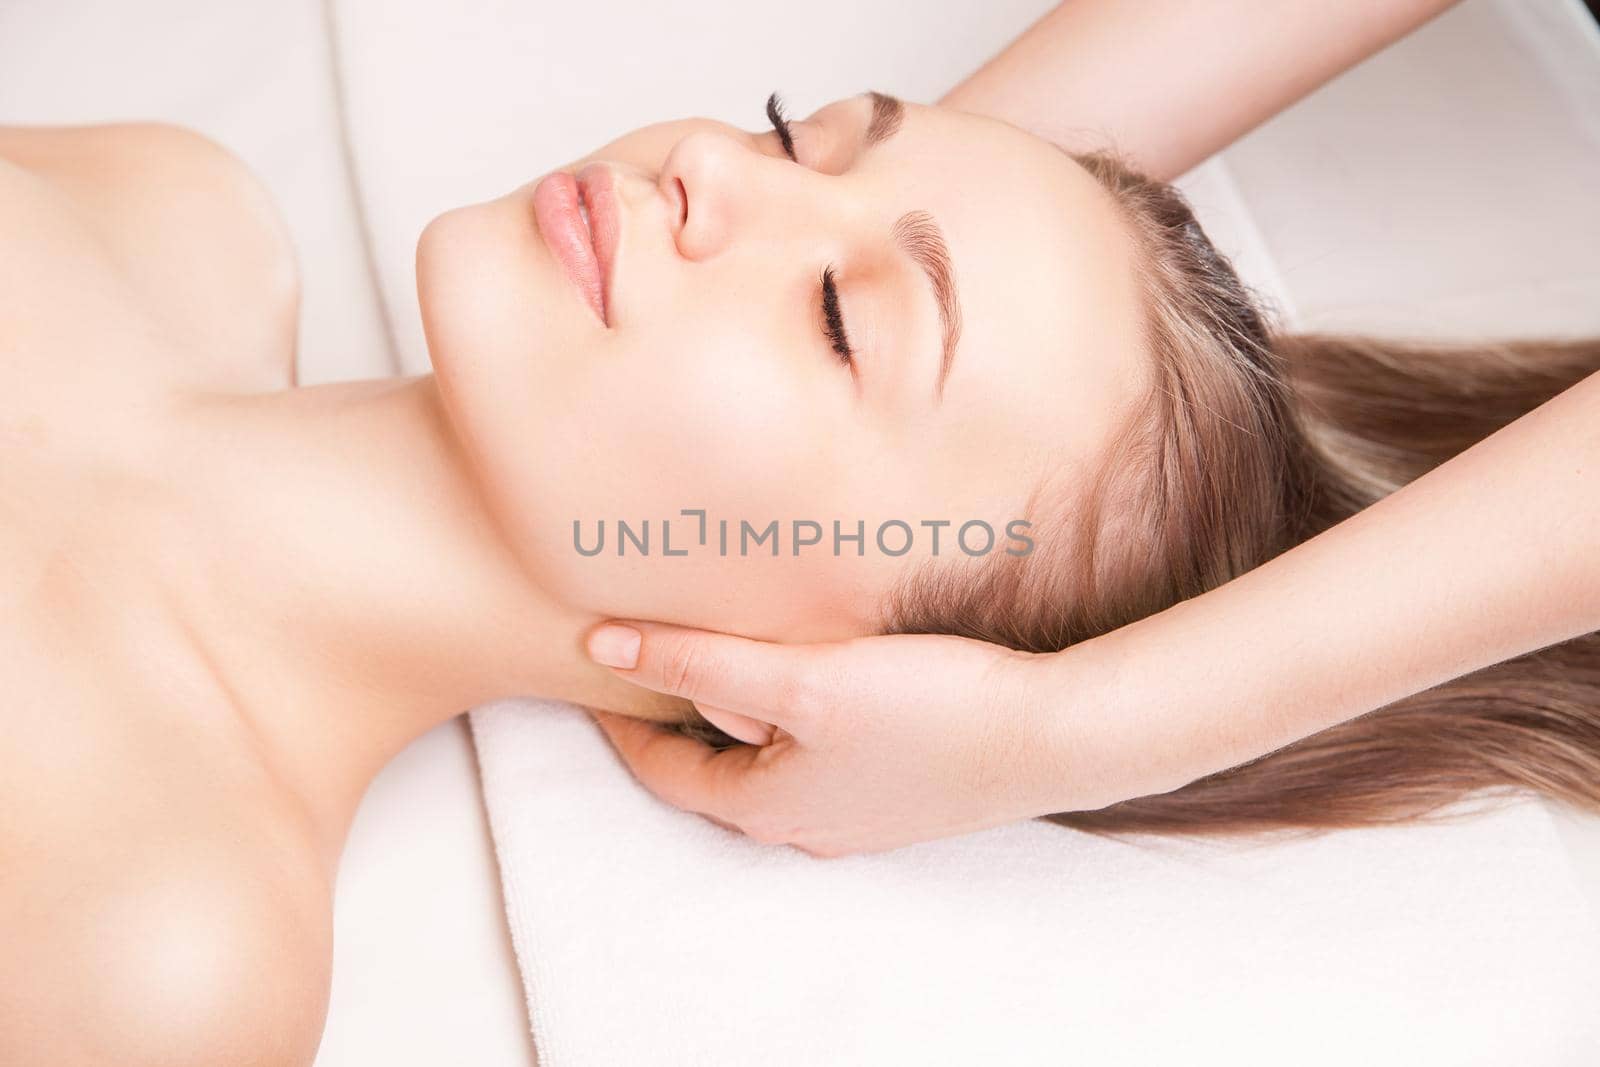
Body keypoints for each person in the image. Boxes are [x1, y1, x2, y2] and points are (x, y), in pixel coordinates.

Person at [3, 2, 1591, 1065]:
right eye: (789, 136)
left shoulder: (174, 956)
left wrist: (1091, 721)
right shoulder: (167, 210)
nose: (703, 166)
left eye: (841, 321)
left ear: (825, 682)